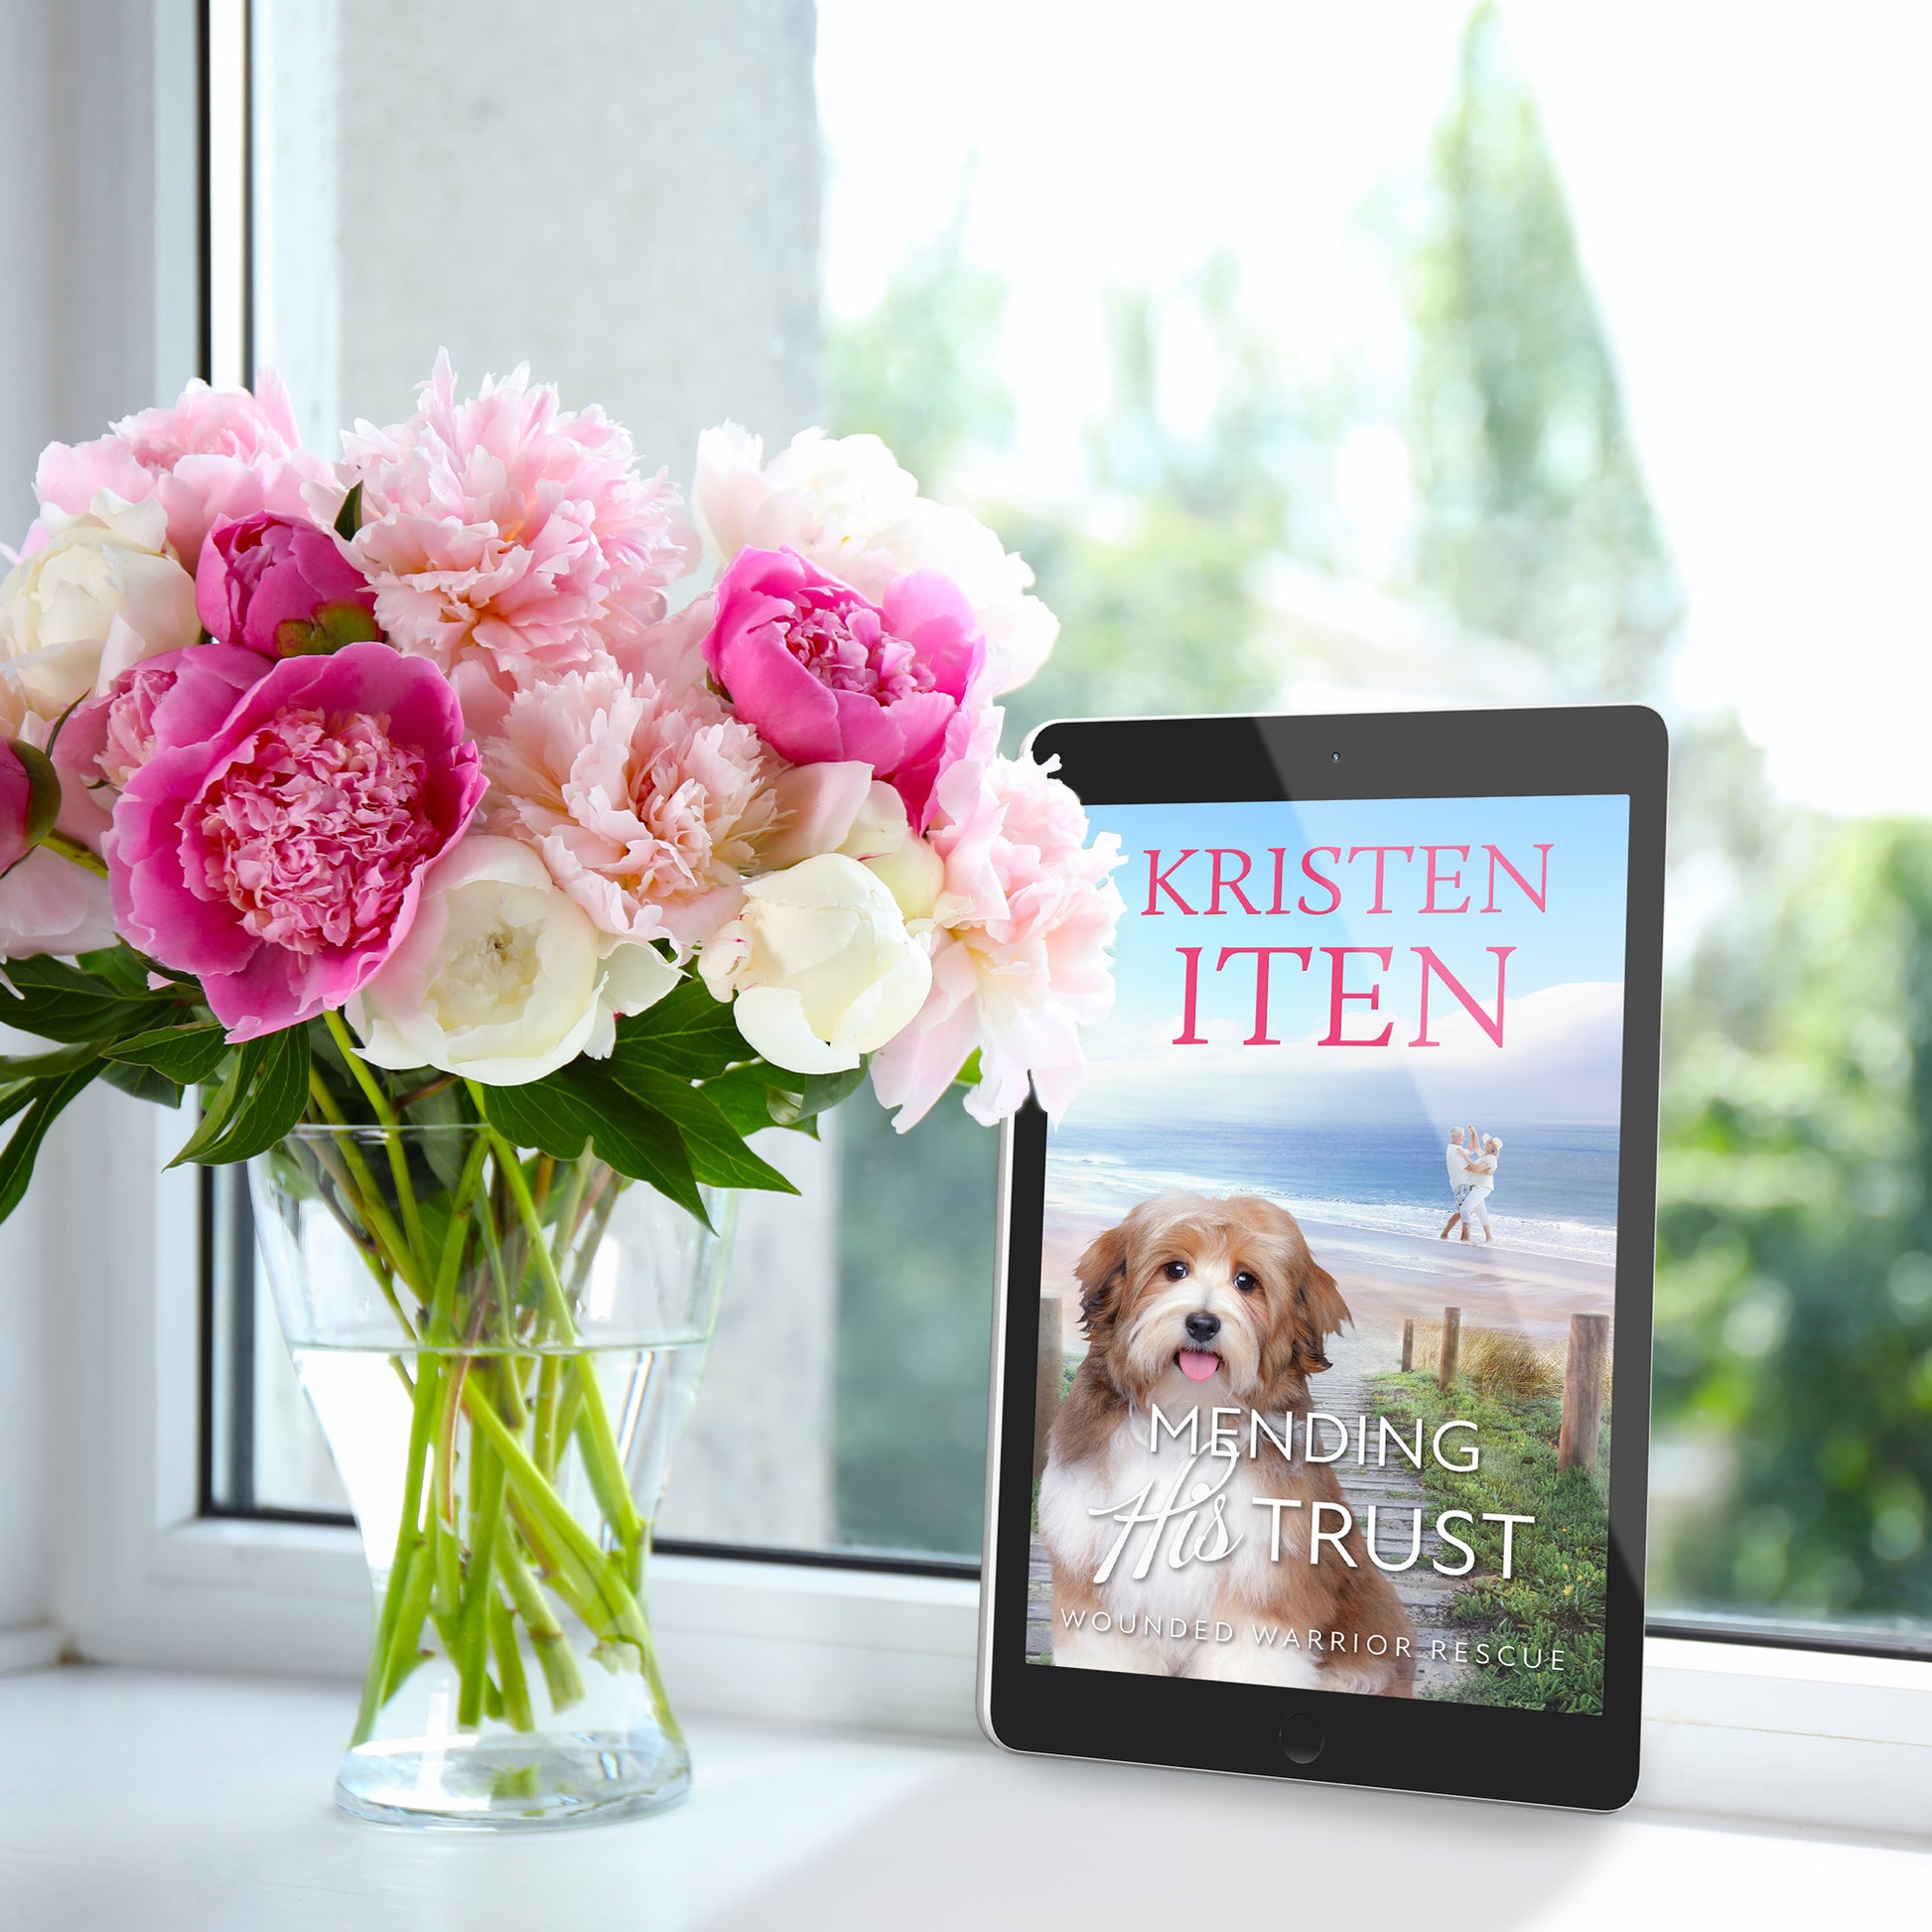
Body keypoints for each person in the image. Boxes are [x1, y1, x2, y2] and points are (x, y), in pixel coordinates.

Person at [1458, 1131, 1502, 1244]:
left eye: (1490, 1142)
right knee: (1481, 1213)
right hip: (1478, 1187)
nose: (1487, 1142)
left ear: (1494, 1147)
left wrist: (1465, 1160)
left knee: (1465, 1209)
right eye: (1487, 1141)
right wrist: (1474, 1133)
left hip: (1482, 1187)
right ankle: (1489, 1238)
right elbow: (1477, 1147)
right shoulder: (1485, 1156)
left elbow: (1476, 1168)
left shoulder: (1491, 1158)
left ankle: (1466, 1238)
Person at [1439, 1127, 1472, 1240]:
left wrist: (1473, 1135)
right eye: (1461, 1135)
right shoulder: (1454, 1151)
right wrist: (1486, 1170)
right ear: (1453, 1136)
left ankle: (1459, 1236)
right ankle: (1448, 1235)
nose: (1464, 1137)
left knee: (1465, 1211)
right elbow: (1468, 1167)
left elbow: (1470, 1151)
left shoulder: (1457, 1149)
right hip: (1461, 1184)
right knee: (1462, 1212)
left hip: (1464, 1183)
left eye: (1464, 1135)